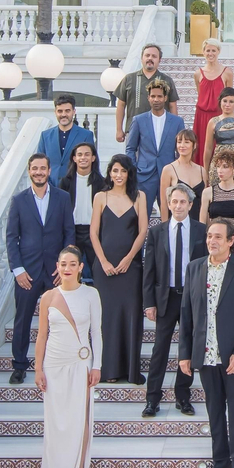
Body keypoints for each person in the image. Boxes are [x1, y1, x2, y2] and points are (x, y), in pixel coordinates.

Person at [178, 216, 234, 468]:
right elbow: (187, 315)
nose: (211, 241)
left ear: (230, 242)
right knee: (214, 412)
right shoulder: (194, 268)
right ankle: (220, 464)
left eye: (218, 237)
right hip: (205, 354)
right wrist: (185, 354)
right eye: (209, 236)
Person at [22, 247, 101, 468]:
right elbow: (42, 335)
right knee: (57, 423)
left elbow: (97, 333)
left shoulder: (91, 294)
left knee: (81, 421)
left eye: (72, 264)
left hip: (81, 365)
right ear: (57, 266)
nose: (67, 268)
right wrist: (38, 369)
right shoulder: (47, 297)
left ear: (80, 268)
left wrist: (97, 365)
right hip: (54, 366)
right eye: (63, 263)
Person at [4, 154, 75, 384]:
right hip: (28, 273)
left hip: (55, 272)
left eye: (42, 168)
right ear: (29, 171)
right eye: (34, 168)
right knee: (22, 319)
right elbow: (11, 238)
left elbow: (69, 233)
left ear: (49, 170)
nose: (38, 172)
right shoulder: (19, 200)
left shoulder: (62, 198)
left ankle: (60, 361)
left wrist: (64, 267)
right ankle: (19, 365)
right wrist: (18, 270)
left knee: (61, 318)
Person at [141, 184, 205, 417]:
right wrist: (149, 302)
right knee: (160, 349)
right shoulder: (157, 232)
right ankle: (152, 399)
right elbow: (149, 270)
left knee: (187, 348)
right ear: (168, 204)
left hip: (191, 299)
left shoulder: (200, 231)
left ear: (190, 205)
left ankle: (183, 396)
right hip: (165, 298)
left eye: (182, 202)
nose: (178, 206)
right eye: (174, 202)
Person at [91, 155, 147, 385]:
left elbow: (143, 231)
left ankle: (131, 371)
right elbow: (94, 233)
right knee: (107, 317)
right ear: (109, 173)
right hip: (104, 268)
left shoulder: (139, 197)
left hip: (131, 267)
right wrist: (103, 261)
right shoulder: (100, 197)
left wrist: (128, 259)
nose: (118, 175)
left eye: (123, 171)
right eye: (115, 171)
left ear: (129, 173)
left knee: (131, 315)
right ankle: (109, 370)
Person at [125, 81, 185, 217]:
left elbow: (182, 149)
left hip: (169, 175)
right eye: (153, 96)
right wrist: (134, 169)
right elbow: (130, 148)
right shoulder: (138, 120)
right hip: (144, 175)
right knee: (140, 215)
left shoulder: (177, 122)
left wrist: (177, 169)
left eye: (159, 96)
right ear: (148, 98)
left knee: (170, 216)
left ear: (165, 98)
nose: (156, 99)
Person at [113, 43, 178, 143]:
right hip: (134, 130)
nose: (150, 58)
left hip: (160, 131)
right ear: (142, 58)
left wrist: (174, 129)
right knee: (133, 158)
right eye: (147, 55)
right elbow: (121, 105)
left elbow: (172, 106)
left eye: (154, 56)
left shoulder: (167, 80)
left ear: (159, 60)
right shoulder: (129, 79)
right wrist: (118, 129)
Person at [59, 141, 104, 283]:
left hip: (94, 231)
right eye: (79, 155)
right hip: (73, 231)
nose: (83, 158)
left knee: (97, 270)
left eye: (87, 154)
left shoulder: (102, 182)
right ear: (74, 158)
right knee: (72, 271)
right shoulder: (65, 182)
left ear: (93, 158)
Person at [200, 146, 234, 254]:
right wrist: (210, 239)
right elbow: (202, 222)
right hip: (214, 241)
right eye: (218, 166)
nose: (220, 170)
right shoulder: (207, 192)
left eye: (225, 167)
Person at [192, 39, 233, 165]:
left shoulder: (227, 72)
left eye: (213, 50)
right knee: (201, 147)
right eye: (208, 50)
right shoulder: (198, 74)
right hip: (201, 116)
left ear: (218, 51)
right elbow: (201, 95)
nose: (211, 53)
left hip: (219, 117)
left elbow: (230, 97)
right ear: (203, 52)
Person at [39, 94, 97, 184]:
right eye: (60, 111)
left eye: (67, 111)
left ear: (74, 112)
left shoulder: (86, 135)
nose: (63, 115)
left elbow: (91, 163)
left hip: (75, 187)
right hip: (51, 188)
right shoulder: (45, 135)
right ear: (55, 112)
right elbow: (40, 163)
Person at [158, 128, 206, 217]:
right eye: (179, 142)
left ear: (194, 145)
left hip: (198, 224)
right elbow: (164, 203)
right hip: (176, 223)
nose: (182, 145)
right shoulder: (168, 169)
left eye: (187, 142)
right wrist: (164, 228)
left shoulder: (201, 170)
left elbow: (205, 203)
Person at [205, 87, 234, 157]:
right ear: (220, 102)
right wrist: (206, 167)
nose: (227, 105)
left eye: (231, 102)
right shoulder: (213, 122)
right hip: (219, 164)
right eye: (225, 101)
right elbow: (208, 148)